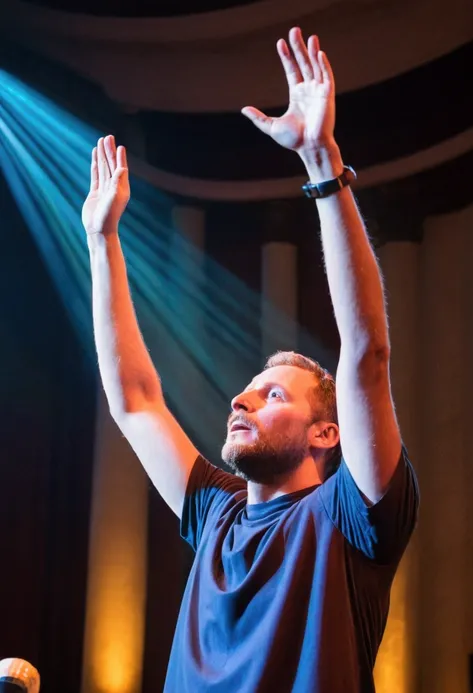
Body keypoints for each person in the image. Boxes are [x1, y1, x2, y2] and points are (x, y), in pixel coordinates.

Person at [82, 27, 419, 693]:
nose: (239, 399)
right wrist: (102, 242)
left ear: (328, 433)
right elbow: (134, 400)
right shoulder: (218, 512)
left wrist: (322, 163)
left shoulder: (350, 518)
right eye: (248, 389)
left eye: (273, 395)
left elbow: (367, 354)